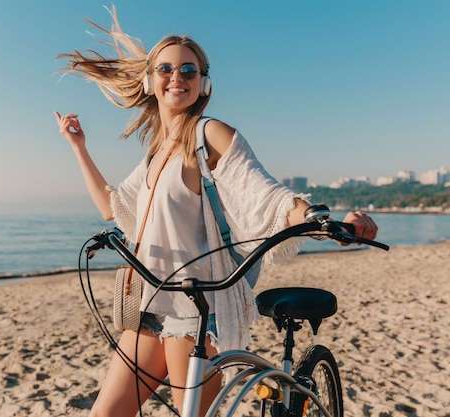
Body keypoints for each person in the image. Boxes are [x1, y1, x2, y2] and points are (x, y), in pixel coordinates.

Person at [55, 9, 378, 417]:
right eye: (166, 68)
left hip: (194, 315)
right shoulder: (156, 153)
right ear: (149, 80)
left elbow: (265, 193)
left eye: (189, 70)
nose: (177, 77)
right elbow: (113, 207)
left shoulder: (210, 134)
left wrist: (319, 218)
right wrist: (78, 147)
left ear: (203, 82)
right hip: (150, 306)